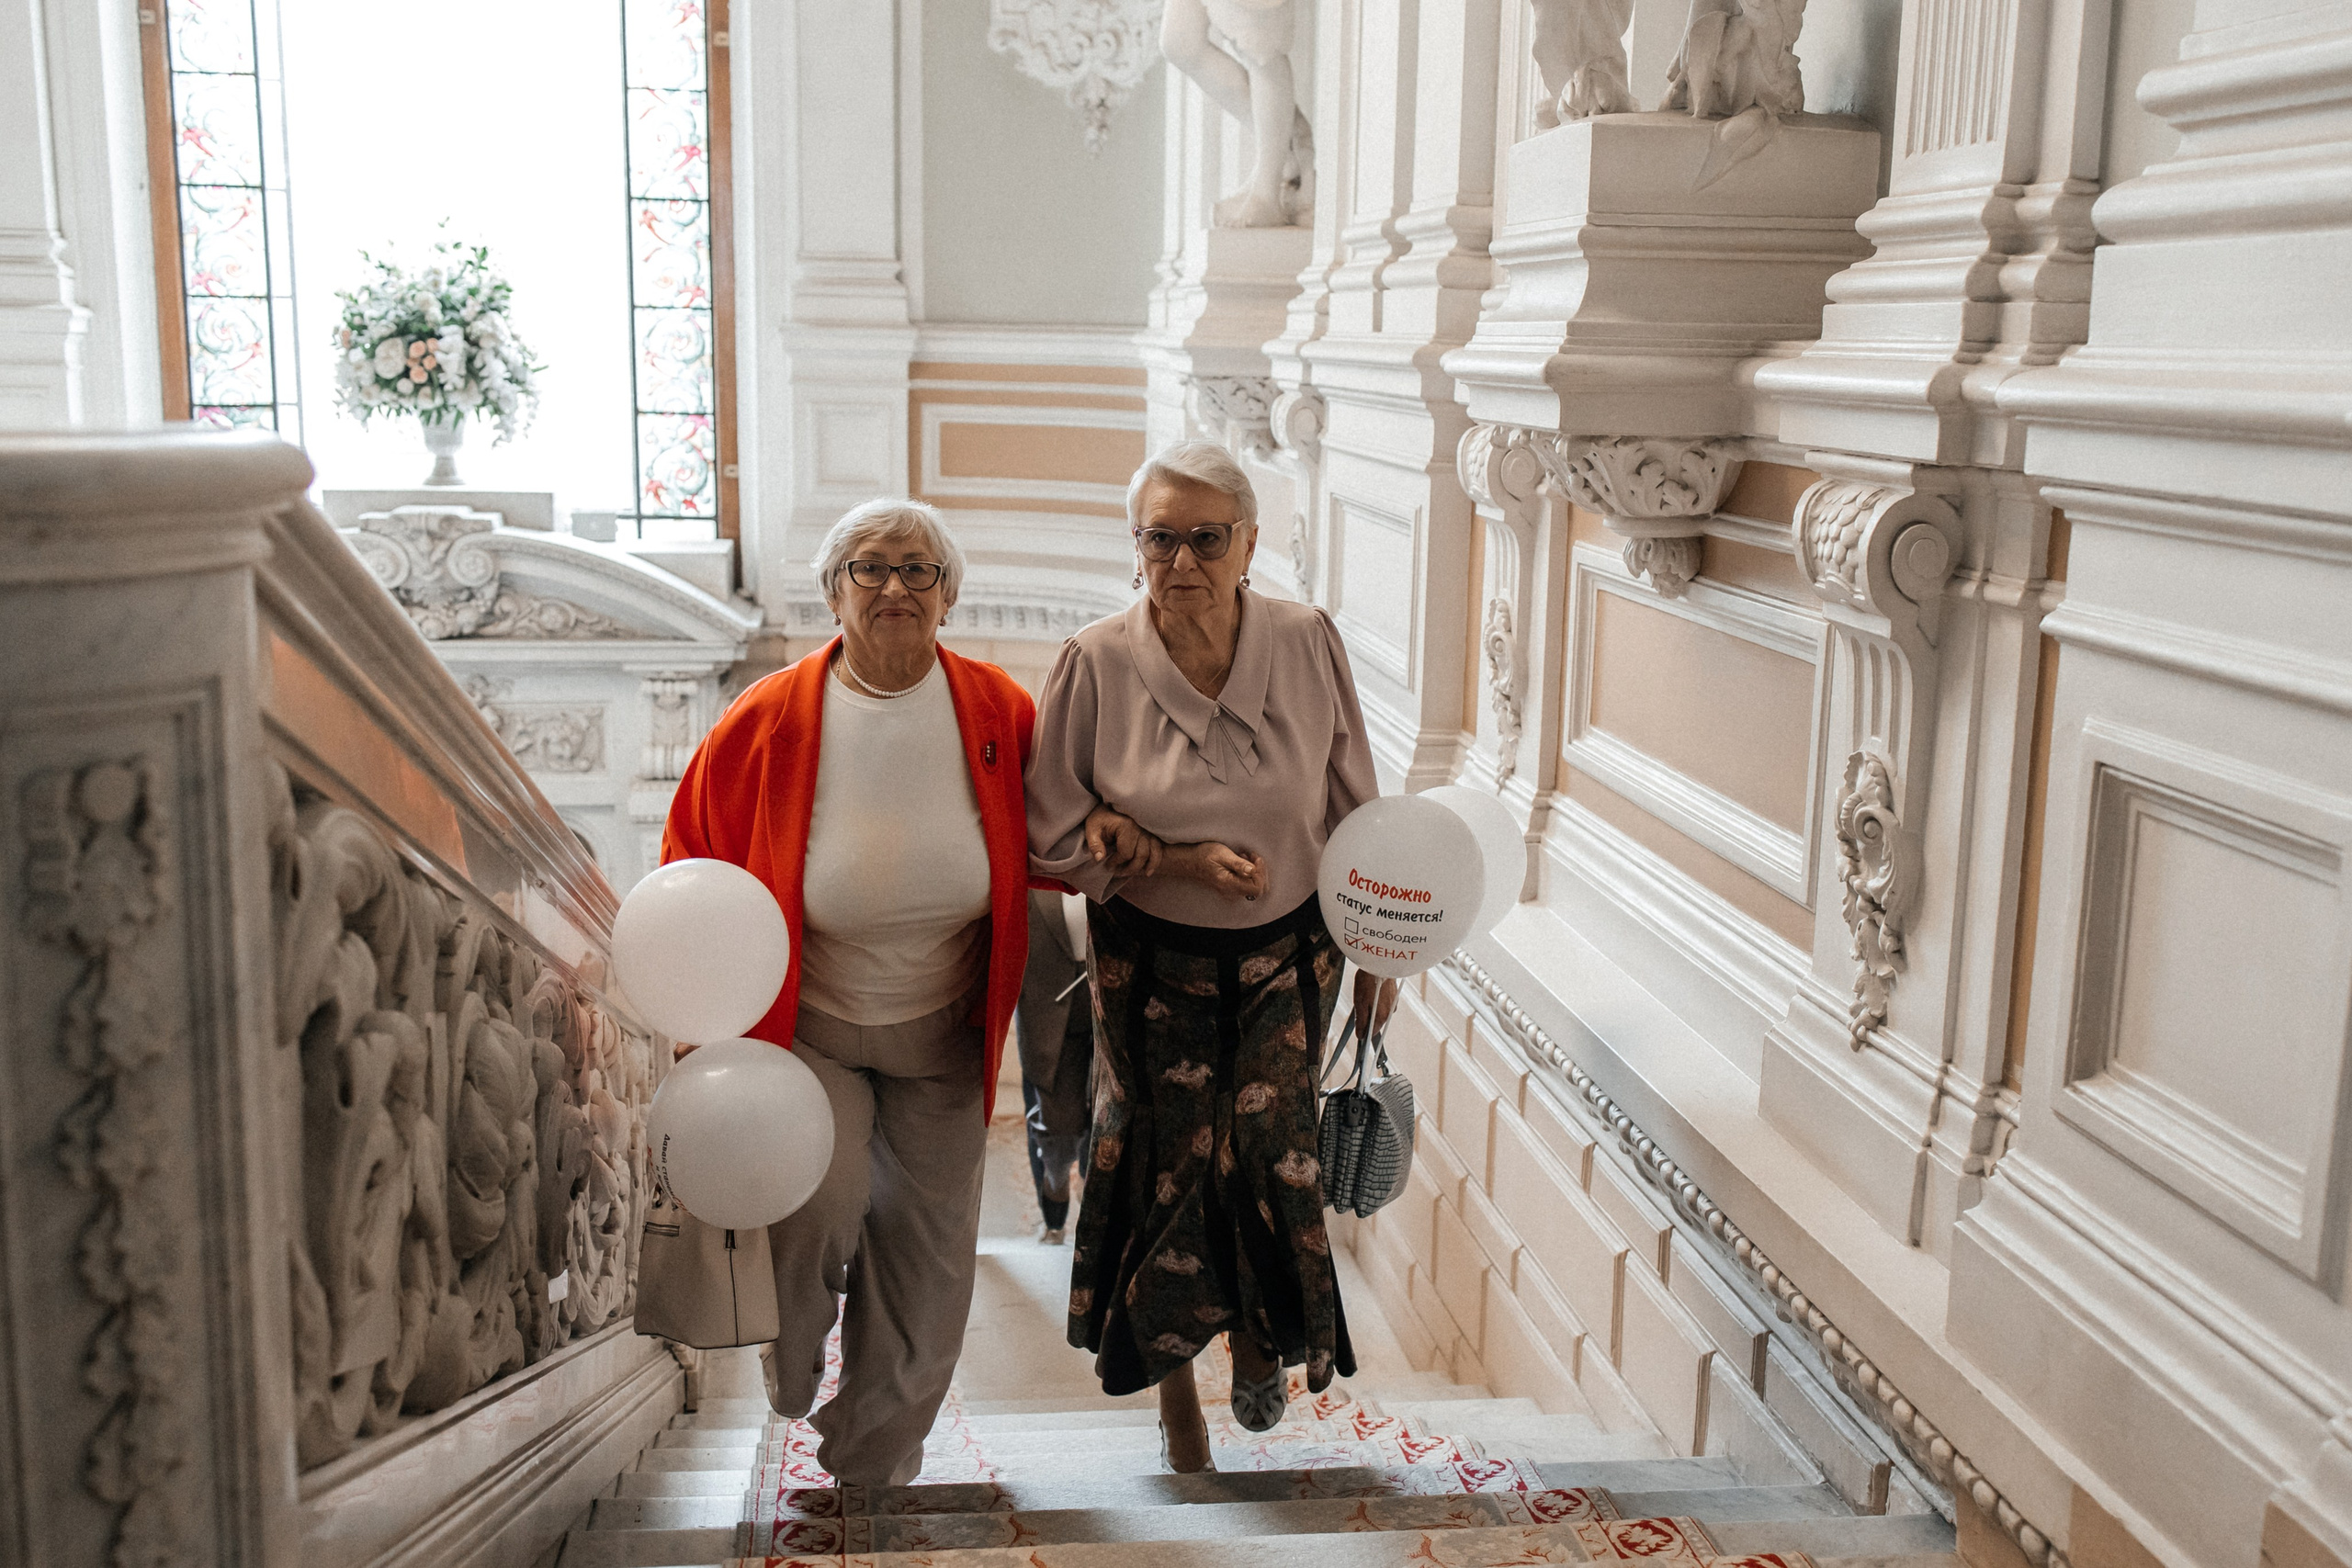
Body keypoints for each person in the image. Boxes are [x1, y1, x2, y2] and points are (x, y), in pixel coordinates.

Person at [1027, 441, 1398, 1472]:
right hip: (1149, 960)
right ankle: (1172, 1391)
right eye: (1160, 538)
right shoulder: (1094, 661)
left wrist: (1382, 955)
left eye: (1205, 537)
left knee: (1270, 1149)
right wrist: (1156, 854)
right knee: (1164, 1161)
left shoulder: (1307, 641)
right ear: (1135, 545)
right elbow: (1049, 832)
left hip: (1293, 949)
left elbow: (1355, 807)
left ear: (1248, 543)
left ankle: (1259, 1339)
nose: (1181, 560)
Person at [660, 498, 1035, 1488]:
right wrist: (699, 1021)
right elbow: (691, 861)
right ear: (834, 593)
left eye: (918, 569)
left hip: (944, 1037)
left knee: (928, 1262)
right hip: (810, 1029)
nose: (894, 586)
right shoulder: (765, 719)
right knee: (812, 1210)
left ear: (948, 596)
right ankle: (792, 1351)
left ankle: (874, 1461)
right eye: (869, 567)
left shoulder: (998, 712)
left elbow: (1059, 832)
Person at [1014, 888, 1094, 1242]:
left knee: (1109, 1116)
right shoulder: (1030, 865)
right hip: (1046, 1009)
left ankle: (1096, 1221)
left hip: (1114, 1000)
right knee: (1058, 1127)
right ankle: (1055, 1198)